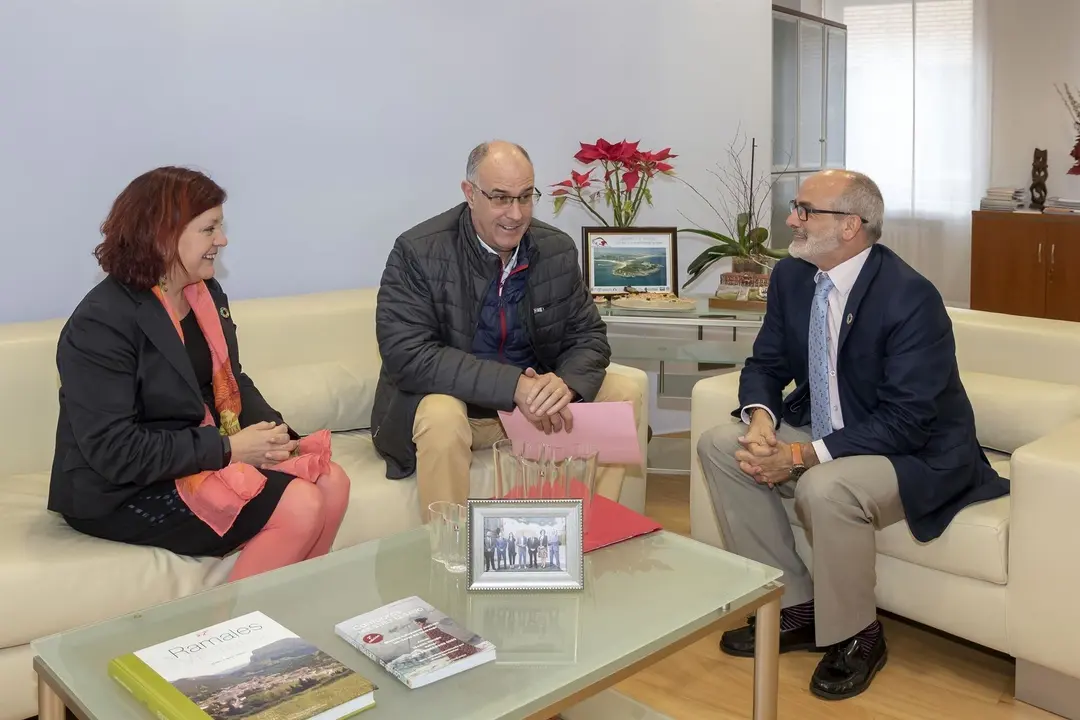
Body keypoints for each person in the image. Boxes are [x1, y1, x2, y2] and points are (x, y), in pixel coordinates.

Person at [696, 169, 1009, 700]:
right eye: (795, 207)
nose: (791, 219)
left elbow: (907, 419)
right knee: (719, 446)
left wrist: (799, 455)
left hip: (915, 450)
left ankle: (858, 635)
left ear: (850, 226)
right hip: (832, 429)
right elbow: (766, 363)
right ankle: (795, 607)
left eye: (804, 210)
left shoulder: (910, 297)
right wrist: (763, 423)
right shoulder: (793, 277)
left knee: (825, 486)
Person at [48, 166, 352, 583]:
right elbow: (114, 451)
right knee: (300, 505)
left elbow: (232, 381)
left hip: (197, 453)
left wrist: (276, 436)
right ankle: (223, 638)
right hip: (120, 488)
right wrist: (229, 450)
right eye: (209, 229)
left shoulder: (204, 293)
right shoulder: (102, 322)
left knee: (330, 481)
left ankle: (290, 618)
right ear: (164, 233)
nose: (222, 241)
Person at [372, 140, 643, 518]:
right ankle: (448, 550)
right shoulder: (418, 251)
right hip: (463, 410)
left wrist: (564, 384)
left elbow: (589, 338)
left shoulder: (555, 250)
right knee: (441, 415)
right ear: (470, 194)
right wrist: (513, 386)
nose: (515, 214)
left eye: (525, 197)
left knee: (624, 389)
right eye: (500, 198)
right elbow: (408, 355)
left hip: (533, 414)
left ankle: (592, 535)